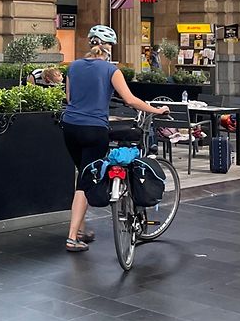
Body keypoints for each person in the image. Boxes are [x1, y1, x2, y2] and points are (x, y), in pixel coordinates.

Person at [61, 25, 169, 253]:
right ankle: (72, 237)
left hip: (69, 126)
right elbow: (130, 100)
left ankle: (80, 229)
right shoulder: (112, 71)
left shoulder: (73, 67)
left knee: (82, 173)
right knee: (85, 181)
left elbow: (70, 98)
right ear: (107, 47)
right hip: (94, 129)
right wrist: (156, 110)